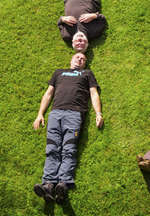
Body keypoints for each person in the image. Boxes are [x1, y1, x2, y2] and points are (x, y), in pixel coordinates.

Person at [32, 52, 103, 204]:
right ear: (71, 59)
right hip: (55, 114)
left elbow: (94, 94)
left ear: (85, 63)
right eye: (77, 57)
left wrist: (98, 113)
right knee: (52, 148)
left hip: (74, 114)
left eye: (83, 59)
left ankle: (63, 183)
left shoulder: (87, 74)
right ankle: (48, 185)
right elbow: (48, 94)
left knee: (69, 149)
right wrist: (40, 114)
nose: (80, 59)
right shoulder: (59, 73)